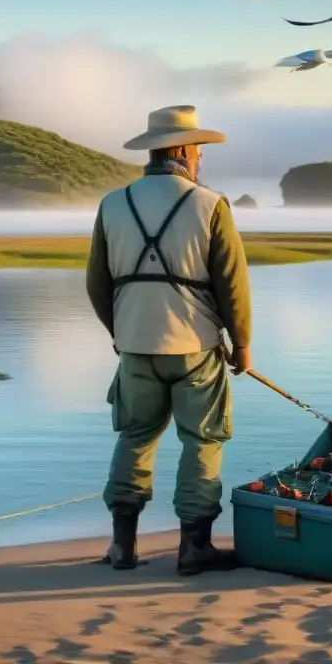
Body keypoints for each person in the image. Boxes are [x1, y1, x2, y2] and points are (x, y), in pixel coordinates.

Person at [85, 104, 253, 576]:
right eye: (198, 149)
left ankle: (122, 547)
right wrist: (241, 345)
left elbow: (97, 284)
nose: (201, 158)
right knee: (203, 439)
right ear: (180, 149)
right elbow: (232, 284)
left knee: (135, 435)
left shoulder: (112, 204)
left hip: (135, 345)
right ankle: (193, 548)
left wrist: (121, 333)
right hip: (195, 347)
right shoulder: (211, 205)